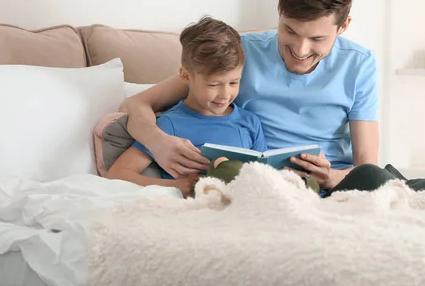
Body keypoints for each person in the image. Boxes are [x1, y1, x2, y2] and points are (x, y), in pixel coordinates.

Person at [117, 0, 402, 197]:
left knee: (384, 181)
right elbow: (137, 103)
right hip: (257, 185)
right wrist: (158, 143)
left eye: (317, 39)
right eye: (290, 31)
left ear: (343, 27)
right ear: (279, 11)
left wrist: (331, 177)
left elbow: (366, 164)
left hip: (331, 186)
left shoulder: (359, 64)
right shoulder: (240, 52)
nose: (300, 50)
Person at [106, 16, 320, 197]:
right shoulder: (169, 125)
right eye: (214, 84)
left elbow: (263, 172)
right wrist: (176, 186)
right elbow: (117, 173)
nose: (225, 94)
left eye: (234, 82)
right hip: (200, 207)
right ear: (185, 76)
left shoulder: (249, 121)